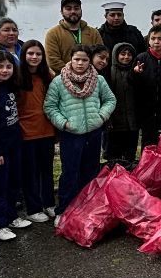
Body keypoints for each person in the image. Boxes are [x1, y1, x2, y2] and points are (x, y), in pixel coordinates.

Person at [44, 45, 116, 223]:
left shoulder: (98, 80)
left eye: (84, 59)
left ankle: (87, 206)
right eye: (76, 59)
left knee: (90, 170)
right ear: (70, 59)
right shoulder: (59, 82)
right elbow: (50, 106)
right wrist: (64, 123)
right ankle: (64, 209)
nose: (80, 63)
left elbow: (110, 99)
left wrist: (101, 116)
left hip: (93, 132)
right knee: (70, 171)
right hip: (71, 133)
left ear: (89, 60)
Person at [0, 51, 32, 241]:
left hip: (14, 143)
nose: (4, 70)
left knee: (13, 182)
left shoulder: (10, 86)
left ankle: (11, 217)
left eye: (8, 66)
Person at [16, 40, 56, 222]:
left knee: (46, 169)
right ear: (24, 55)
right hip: (26, 132)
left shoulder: (47, 76)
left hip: (46, 129)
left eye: (38, 54)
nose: (34, 57)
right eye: (30, 54)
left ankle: (48, 203)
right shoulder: (17, 77)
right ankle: (33, 208)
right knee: (29, 172)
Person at [133, 25, 161, 146]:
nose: (156, 42)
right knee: (147, 140)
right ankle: (147, 163)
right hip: (146, 108)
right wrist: (136, 73)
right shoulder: (141, 58)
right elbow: (133, 84)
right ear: (148, 40)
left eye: (160, 39)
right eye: (153, 38)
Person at [44, 0, 102, 74]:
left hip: (91, 79)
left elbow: (100, 56)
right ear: (61, 12)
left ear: (81, 10)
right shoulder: (53, 34)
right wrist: (73, 74)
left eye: (76, 8)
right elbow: (53, 61)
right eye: (68, 8)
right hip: (63, 80)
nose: (73, 11)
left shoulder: (93, 32)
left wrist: (86, 73)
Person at [105, 43, 140, 165]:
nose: (126, 57)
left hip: (132, 122)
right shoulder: (109, 72)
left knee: (130, 155)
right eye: (122, 54)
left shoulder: (136, 71)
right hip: (114, 122)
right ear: (116, 55)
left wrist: (137, 75)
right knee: (113, 156)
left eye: (129, 54)